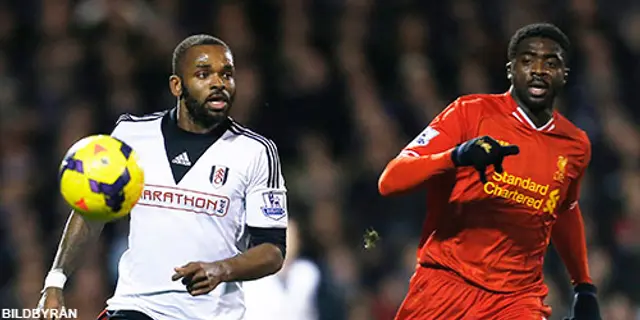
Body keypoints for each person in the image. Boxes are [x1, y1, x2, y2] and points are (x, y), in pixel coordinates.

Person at [37, 34, 289, 320]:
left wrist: (221, 269)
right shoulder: (130, 136)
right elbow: (91, 213)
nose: (218, 83)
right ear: (176, 85)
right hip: (136, 308)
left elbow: (272, 250)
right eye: (204, 74)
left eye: (227, 74)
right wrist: (55, 282)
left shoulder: (255, 152)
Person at [378, 23, 601, 320]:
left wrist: (583, 286)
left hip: (517, 300)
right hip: (446, 286)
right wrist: (455, 156)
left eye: (551, 63)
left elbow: (564, 210)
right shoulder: (469, 113)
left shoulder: (575, 145)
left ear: (564, 75)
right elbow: (390, 180)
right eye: (528, 60)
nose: (539, 70)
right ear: (511, 70)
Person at [243, 218, 320, 320]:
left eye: (292, 237)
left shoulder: (308, 272)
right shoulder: (252, 277)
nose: (288, 243)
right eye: (284, 237)